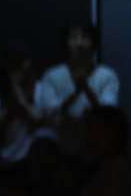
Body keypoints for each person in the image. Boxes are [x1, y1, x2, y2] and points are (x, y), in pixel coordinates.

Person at [35, 21, 119, 157]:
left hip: (98, 155)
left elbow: (110, 115)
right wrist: (76, 93)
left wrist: (86, 89)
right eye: (74, 38)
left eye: (85, 38)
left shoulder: (107, 76)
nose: (79, 44)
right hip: (61, 154)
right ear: (66, 44)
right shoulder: (52, 76)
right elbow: (49, 116)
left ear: (94, 44)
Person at [0, 44, 46, 168]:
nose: (16, 65)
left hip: (34, 161)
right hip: (3, 160)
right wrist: (9, 109)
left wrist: (17, 93)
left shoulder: (42, 90)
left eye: (20, 61)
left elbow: (40, 124)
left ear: (29, 62)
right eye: (12, 61)